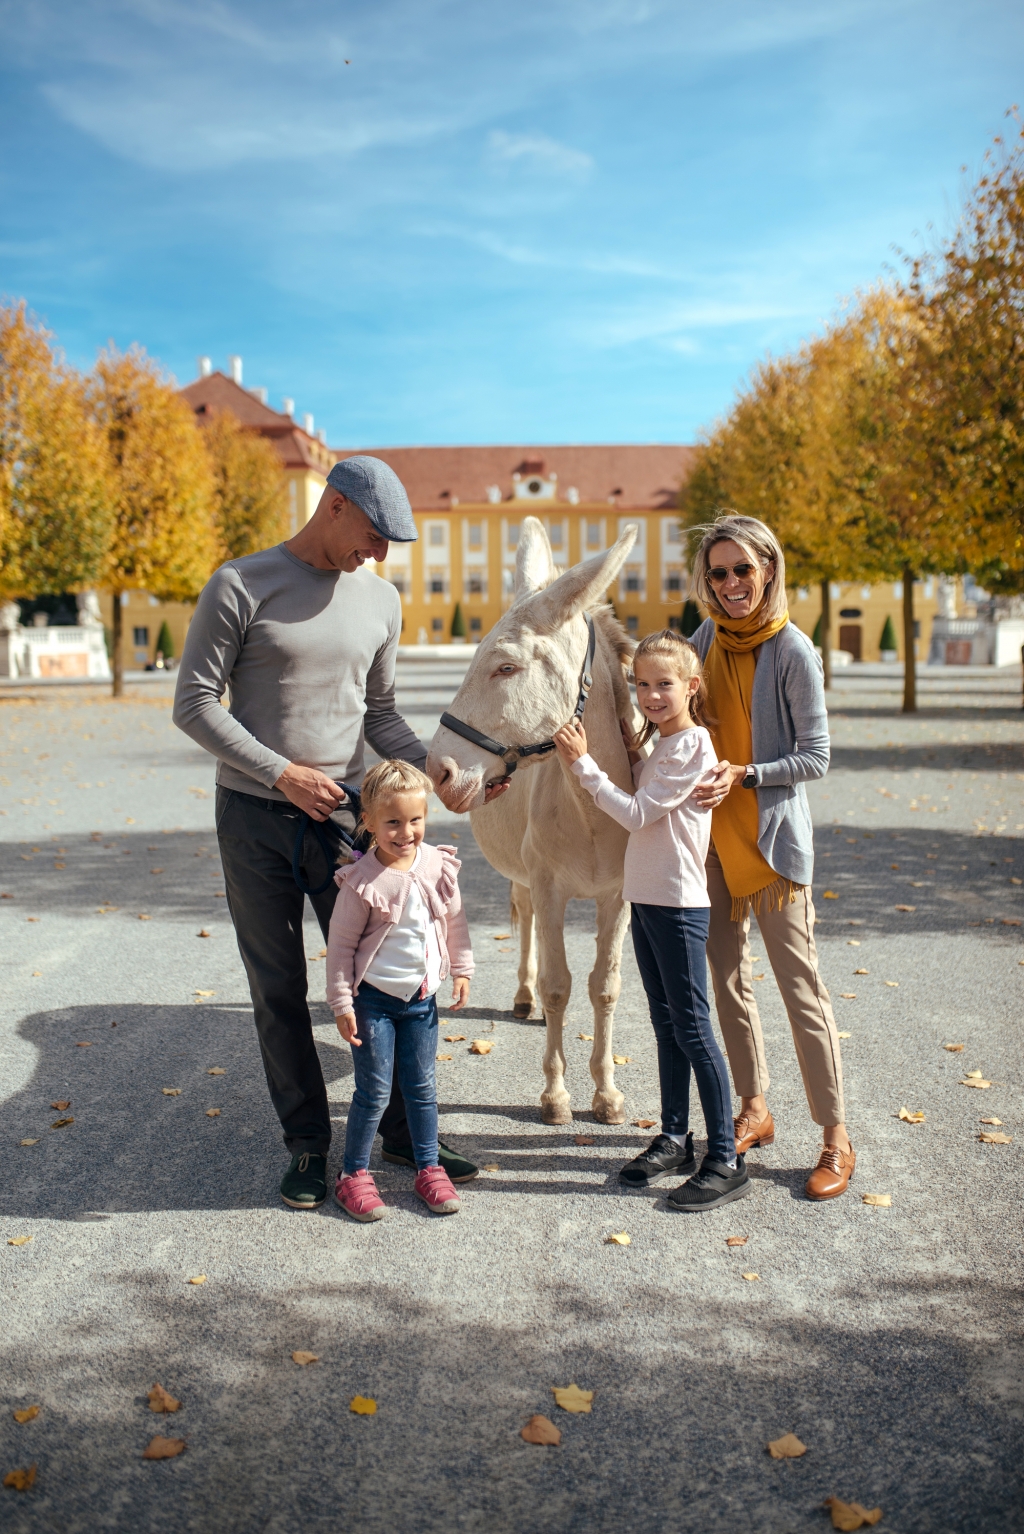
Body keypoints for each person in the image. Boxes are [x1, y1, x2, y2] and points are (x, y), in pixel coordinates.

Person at [172, 456, 484, 1210]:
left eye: (387, 548)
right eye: (373, 537)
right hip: (254, 820)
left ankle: (410, 1136)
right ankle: (309, 1147)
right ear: (335, 506)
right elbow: (194, 703)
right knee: (278, 986)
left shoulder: (380, 599)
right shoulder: (241, 583)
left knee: (387, 967)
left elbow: (379, 714)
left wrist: (434, 768)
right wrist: (281, 773)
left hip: (347, 819)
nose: (376, 556)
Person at [553, 630, 751, 1212]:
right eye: (641, 684)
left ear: (692, 687)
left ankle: (724, 1157)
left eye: (663, 684)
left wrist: (583, 764)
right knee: (666, 1024)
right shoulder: (664, 745)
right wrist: (624, 750)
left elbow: (638, 812)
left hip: (680, 905)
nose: (651, 695)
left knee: (693, 1028)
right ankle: (673, 1136)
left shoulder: (693, 746)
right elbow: (645, 783)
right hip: (647, 900)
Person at [687, 512, 854, 1200]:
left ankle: (837, 1137)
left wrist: (745, 774)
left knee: (801, 993)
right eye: (719, 572)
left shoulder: (793, 650)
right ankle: (755, 1108)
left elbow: (816, 756)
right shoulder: (702, 640)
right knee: (727, 985)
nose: (732, 584)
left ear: (769, 570)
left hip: (773, 847)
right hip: (711, 846)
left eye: (743, 570)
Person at [327, 760, 474, 1221]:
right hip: (373, 1003)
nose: (406, 832)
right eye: (392, 822)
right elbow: (341, 948)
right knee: (372, 1090)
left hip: (422, 1001)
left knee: (422, 1087)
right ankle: (353, 1174)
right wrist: (341, 1003)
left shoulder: (435, 863)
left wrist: (462, 967)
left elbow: (454, 919)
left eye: (416, 820)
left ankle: (428, 1167)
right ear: (368, 822)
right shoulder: (362, 882)